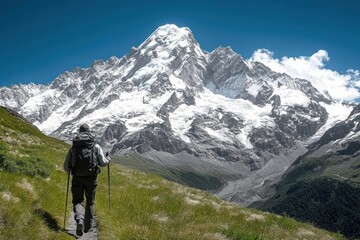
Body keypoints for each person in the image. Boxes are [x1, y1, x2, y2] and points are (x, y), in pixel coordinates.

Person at [63, 123, 110, 236]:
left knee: (78, 201)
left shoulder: (73, 147)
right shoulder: (95, 146)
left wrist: (71, 169)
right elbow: (103, 163)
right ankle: (88, 227)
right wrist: (108, 158)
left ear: (79, 132)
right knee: (90, 201)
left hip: (77, 178)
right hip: (91, 178)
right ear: (89, 132)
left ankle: (80, 221)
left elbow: (66, 167)